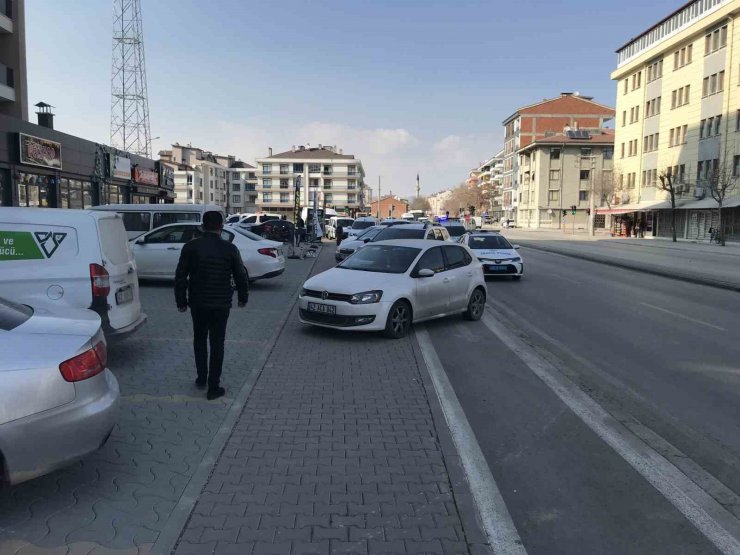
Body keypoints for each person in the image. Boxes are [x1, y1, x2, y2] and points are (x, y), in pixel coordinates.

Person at [175, 211, 249, 400]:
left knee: (199, 340)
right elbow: (240, 275)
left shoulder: (190, 247)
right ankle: (213, 387)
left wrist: (181, 301)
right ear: (221, 226)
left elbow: (181, 276)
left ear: (203, 226)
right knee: (217, 343)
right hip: (221, 304)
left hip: (198, 303)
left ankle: (201, 378)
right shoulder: (229, 248)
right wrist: (243, 297)